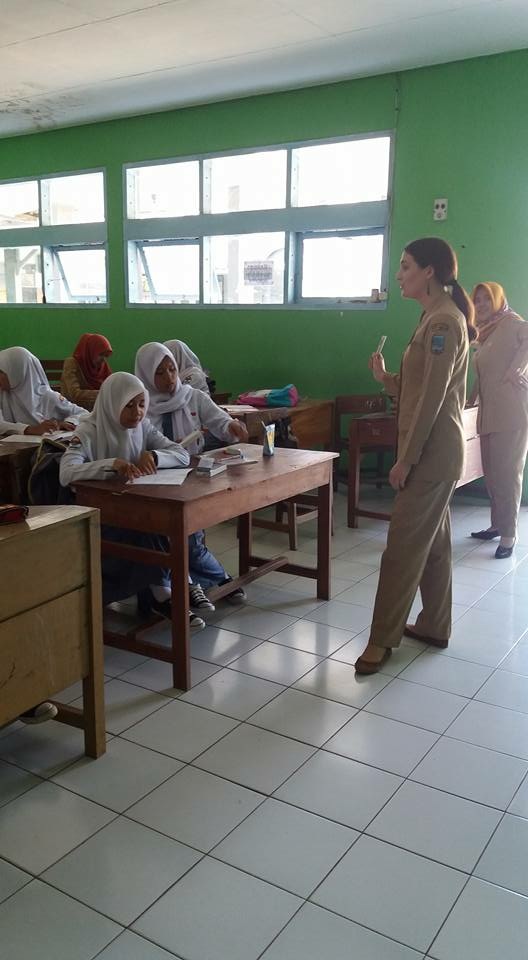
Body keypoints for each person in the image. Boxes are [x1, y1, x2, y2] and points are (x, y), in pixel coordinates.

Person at [355, 237, 476, 674]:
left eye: (405, 266)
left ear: (430, 271)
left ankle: (381, 640)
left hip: (431, 456)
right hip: (434, 454)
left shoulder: (444, 323)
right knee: (436, 546)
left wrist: (405, 459)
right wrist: (386, 377)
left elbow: (433, 399)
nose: (399, 273)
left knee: (402, 550)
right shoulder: (432, 318)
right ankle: (433, 623)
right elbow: (417, 389)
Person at [59, 371, 205, 631]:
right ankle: (174, 590)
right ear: (112, 403)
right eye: (129, 405)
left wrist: (156, 456)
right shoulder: (88, 431)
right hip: (102, 521)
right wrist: (110, 465)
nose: (137, 412)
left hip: (133, 512)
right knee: (150, 527)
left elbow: (181, 454)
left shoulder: (143, 427)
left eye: (141, 404)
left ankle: (170, 591)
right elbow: (66, 472)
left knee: (166, 523)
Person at [135, 341, 248, 606]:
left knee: (191, 534)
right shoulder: (139, 403)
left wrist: (232, 426)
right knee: (169, 535)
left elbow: (219, 420)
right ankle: (195, 583)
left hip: (191, 475)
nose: (169, 379)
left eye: (172, 370)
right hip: (155, 477)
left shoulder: (191, 395)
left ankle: (197, 582)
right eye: (159, 373)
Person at [468, 282, 528, 559]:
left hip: (512, 411)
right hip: (488, 413)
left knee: (508, 474)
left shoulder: (512, 322)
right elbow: (482, 375)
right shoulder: (484, 333)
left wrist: (519, 367)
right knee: (492, 474)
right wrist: (470, 399)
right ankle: (496, 524)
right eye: (477, 300)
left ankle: (509, 534)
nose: (480, 304)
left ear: (498, 300)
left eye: (485, 299)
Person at [0, 346, 88, 435]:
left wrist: (69, 422)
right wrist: (30, 429)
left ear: (17, 372)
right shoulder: (2, 395)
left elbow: (84, 414)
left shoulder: (48, 397)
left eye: (1, 372)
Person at [60, 333, 113, 410]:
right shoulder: (72, 363)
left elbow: (111, 386)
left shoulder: (102, 366)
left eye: (106, 356)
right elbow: (75, 394)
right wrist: (104, 393)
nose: (103, 359)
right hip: (73, 410)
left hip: (97, 409)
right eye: (101, 355)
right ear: (90, 351)